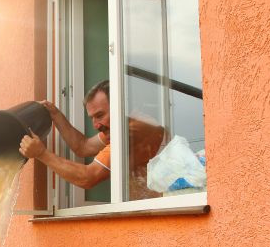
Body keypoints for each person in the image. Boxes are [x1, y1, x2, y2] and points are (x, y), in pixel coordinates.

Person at [19, 80, 165, 198]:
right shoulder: (118, 127)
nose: (95, 125)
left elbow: (88, 177)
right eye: (92, 118)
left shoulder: (133, 130)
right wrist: (55, 114)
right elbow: (83, 147)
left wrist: (41, 154)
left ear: (121, 107)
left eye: (100, 115)